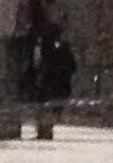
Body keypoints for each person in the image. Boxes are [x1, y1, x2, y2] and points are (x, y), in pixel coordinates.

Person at [22, 8, 79, 141]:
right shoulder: (55, 48)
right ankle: (44, 130)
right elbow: (72, 66)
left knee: (45, 106)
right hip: (49, 82)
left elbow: (70, 65)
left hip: (48, 82)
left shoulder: (52, 49)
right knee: (45, 106)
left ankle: (45, 130)